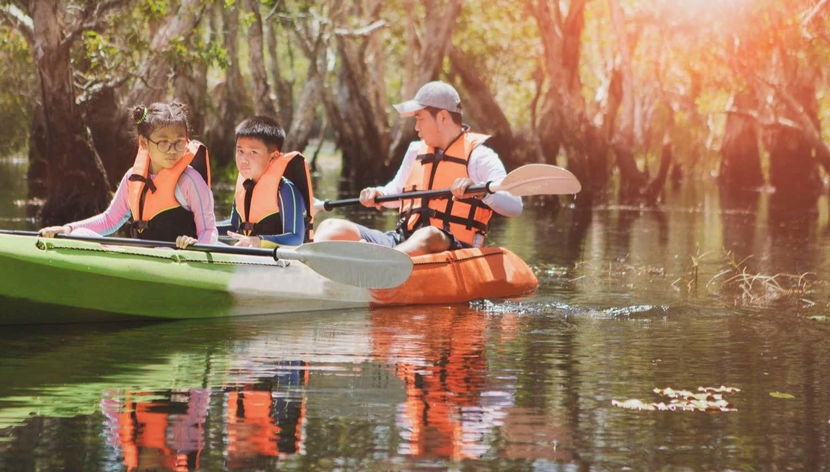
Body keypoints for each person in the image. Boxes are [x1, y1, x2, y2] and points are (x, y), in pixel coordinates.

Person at [314, 81, 522, 256]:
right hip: (404, 240)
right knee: (332, 227)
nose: (416, 127)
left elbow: (514, 206)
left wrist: (480, 191)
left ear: (442, 117)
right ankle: (307, 265)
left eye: (419, 118)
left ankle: (381, 265)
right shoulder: (415, 150)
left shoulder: (480, 156)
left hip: (451, 249)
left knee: (429, 234)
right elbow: (395, 193)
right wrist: (378, 193)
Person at [39, 102, 217, 248]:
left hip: (177, 259)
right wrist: (67, 229)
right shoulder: (133, 178)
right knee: (78, 236)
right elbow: (109, 220)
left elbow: (209, 231)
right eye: (163, 142)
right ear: (144, 143)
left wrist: (197, 247)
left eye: (179, 142)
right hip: (141, 257)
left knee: (162, 250)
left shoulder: (190, 181)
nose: (172, 150)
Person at [216, 116, 314, 248]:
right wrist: (200, 229)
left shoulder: (285, 190)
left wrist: (258, 240)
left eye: (253, 152)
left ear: (273, 156)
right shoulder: (245, 184)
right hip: (253, 257)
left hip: (281, 262)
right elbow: (235, 227)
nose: (243, 160)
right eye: (240, 151)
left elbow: (296, 238)